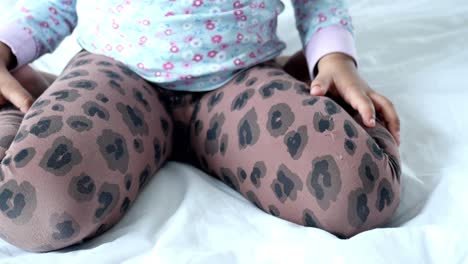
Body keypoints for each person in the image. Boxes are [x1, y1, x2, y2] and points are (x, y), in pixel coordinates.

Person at [0, 0, 401, 252]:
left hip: (240, 80)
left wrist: (334, 60)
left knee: (356, 193)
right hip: (116, 76)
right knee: (31, 209)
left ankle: (320, 88)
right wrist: (5, 48)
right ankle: (23, 101)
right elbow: (54, 4)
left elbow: (318, 3)